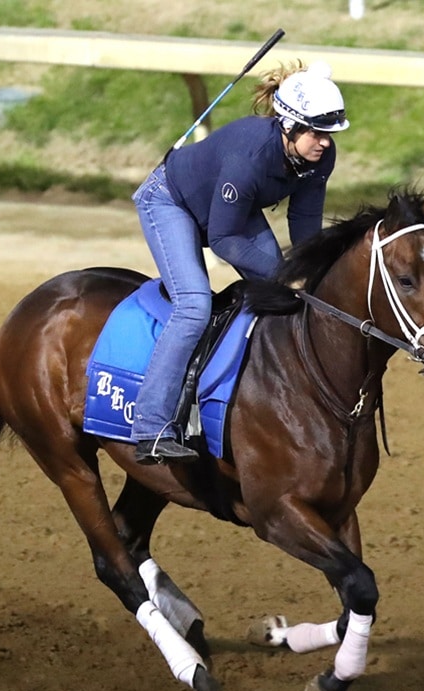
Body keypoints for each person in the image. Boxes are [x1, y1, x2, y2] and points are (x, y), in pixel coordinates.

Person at [130, 60, 350, 464]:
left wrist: (309, 276)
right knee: (194, 306)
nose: (324, 142)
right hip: (170, 202)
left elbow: (304, 224)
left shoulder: (320, 158)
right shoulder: (250, 156)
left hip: (231, 211)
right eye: (317, 133)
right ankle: (151, 426)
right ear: (289, 126)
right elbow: (223, 238)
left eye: (329, 134)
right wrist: (285, 276)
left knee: (290, 299)